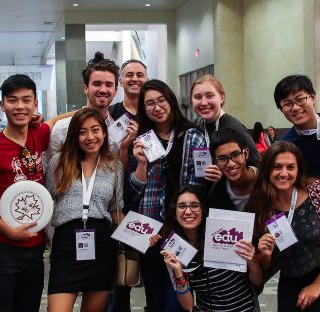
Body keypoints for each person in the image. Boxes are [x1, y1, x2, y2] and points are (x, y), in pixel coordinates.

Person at [0, 74, 55, 312]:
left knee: (29, 306)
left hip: (34, 246)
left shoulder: (38, 134)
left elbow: (58, 122)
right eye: (12, 100)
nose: (20, 106)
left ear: (35, 104)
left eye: (26, 100)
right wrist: (8, 231)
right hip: (1, 246)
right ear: (2, 105)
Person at [253, 142, 320, 312]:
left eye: (290, 167)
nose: (284, 173)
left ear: (298, 170)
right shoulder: (261, 206)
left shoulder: (317, 193)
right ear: (267, 170)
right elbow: (265, 265)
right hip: (291, 277)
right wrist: (265, 253)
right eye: (277, 167)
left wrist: (317, 285)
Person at [130, 79, 206, 311]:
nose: (157, 107)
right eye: (150, 103)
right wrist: (141, 163)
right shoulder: (143, 140)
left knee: (179, 295)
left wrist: (175, 222)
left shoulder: (194, 136)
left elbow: (200, 183)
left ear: (171, 101)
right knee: (154, 297)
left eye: (161, 100)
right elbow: (134, 189)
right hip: (151, 230)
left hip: (183, 228)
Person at [45, 108, 123, 312]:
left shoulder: (114, 166)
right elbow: (48, 200)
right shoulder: (59, 162)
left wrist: (140, 235)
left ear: (104, 133)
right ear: (74, 135)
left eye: (95, 130)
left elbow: (115, 210)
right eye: (82, 132)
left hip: (102, 246)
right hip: (66, 245)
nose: (90, 137)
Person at [159, 185, 261, 311]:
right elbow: (188, 306)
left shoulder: (224, 234)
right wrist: (178, 272)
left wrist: (251, 259)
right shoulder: (174, 248)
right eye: (182, 206)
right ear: (174, 213)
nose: (188, 211)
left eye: (194, 205)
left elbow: (257, 281)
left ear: (203, 210)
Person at [106, 60, 148, 312]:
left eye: (140, 74)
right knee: (121, 275)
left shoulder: (155, 110)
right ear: (121, 81)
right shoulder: (110, 114)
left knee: (154, 269)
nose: (134, 78)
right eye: (128, 75)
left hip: (152, 203)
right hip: (120, 203)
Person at [45, 52, 137, 166]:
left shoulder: (119, 134)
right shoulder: (62, 128)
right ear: (86, 88)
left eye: (109, 85)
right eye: (97, 84)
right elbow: (48, 171)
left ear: (115, 91)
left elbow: (118, 173)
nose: (103, 90)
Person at [190, 75, 260, 165]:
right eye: (198, 97)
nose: (203, 103)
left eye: (209, 96)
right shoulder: (194, 127)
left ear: (222, 97)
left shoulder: (234, 128)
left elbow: (256, 163)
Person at [206, 128, 258, 212]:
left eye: (236, 155)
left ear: (246, 154)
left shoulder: (267, 179)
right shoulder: (215, 194)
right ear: (215, 162)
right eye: (222, 158)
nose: (231, 164)